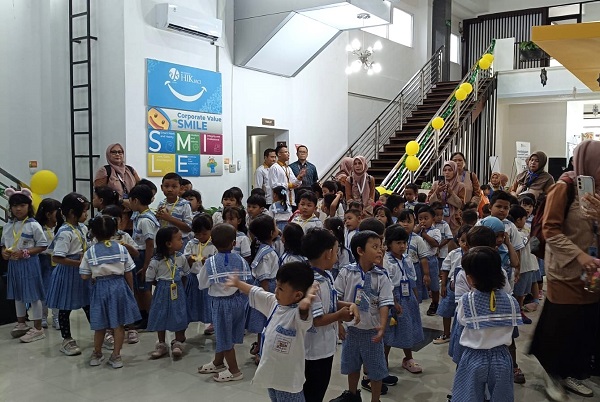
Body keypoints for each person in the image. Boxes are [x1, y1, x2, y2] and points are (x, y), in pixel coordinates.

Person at [530, 140, 600, 400]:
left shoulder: (598, 190)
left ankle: (571, 372)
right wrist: (579, 256)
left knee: (584, 324)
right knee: (560, 323)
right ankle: (553, 375)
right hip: (565, 269)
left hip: (592, 271)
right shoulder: (564, 187)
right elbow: (550, 230)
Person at [227, 262, 316, 401]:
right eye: (276, 286)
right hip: (270, 376)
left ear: (297, 295)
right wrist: (238, 283)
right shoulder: (274, 303)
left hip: (287, 382)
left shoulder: (296, 316)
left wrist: (307, 301)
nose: (276, 291)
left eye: (280, 289)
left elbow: (304, 312)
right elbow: (255, 291)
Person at [451, 246, 523, 402]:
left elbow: (462, 322)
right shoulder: (512, 302)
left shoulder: (467, 300)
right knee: (501, 397)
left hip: (474, 357)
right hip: (502, 357)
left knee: (468, 396)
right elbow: (511, 328)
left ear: (470, 278)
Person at [331, 231, 394, 402]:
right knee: (352, 365)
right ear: (360, 251)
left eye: (381, 247)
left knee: (376, 368)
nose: (380, 251)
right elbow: (335, 299)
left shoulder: (381, 276)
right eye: (374, 247)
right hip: (351, 330)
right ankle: (352, 394)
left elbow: (385, 303)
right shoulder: (346, 272)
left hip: (372, 332)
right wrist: (338, 324)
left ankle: (375, 399)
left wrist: (382, 326)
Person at [302, 228, 360, 402]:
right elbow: (317, 320)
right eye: (336, 251)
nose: (337, 255)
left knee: (319, 387)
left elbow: (331, 303)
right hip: (314, 350)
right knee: (314, 391)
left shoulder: (326, 275)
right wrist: (339, 316)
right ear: (328, 253)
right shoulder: (313, 282)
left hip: (326, 345)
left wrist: (348, 305)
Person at [80, 215, 140, 368]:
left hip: (100, 288)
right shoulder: (121, 248)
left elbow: (84, 275)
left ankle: (97, 353)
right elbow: (128, 272)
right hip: (119, 287)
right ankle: (116, 356)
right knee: (118, 324)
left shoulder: (90, 251)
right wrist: (130, 290)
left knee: (100, 324)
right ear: (114, 231)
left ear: (93, 232)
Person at [198, 223, 252, 382]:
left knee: (224, 337)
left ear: (212, 241)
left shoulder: (210, 262)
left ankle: (235, 371)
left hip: (221, 304)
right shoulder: (241, 260)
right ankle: (218, 362)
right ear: (234, 243)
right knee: (226, 333)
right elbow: (246, 283)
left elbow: (202, 284)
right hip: (238, 302)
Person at [46, 193, 91, 356]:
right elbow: (57, 258)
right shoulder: (65, 232)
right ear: (72, 213)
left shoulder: (82, 228)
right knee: (65, 307)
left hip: (82, 273)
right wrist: (79, 263)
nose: (86, 215)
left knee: (88, 303)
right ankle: (66, 339)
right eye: (84, 211)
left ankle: (101, 333)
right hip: (68, 274)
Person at [1, 188, 48, 343]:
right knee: (17, 294)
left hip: (29, 263)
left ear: (29, 206)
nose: (18, 209)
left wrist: (25, 252)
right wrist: (4, 252)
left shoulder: (33, 225)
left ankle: (38, 328)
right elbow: (3, 244)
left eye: (21, 205)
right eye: (14, 206)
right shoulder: (9, 225)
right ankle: (21, 323)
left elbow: (42, 245)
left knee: (33, 295)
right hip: (14, 265)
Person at [383, 225, 425, 376]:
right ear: (389, 244)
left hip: (408, 298)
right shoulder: (386, 260)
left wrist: (415, 297)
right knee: (389, 329)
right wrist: (393, 302)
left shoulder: (407, 258)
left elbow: (412, 279)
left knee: (408, 327)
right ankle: (383, 360)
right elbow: (386, 283)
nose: (402, 246)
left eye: (404, 243)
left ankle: (408, 358)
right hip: (393, 298)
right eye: (398, 243)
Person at [146, 227, 190, 359]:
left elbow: (186, 274)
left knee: (178, 314)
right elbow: (149, 278)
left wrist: (181, 288)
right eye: (179, 239)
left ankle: (177, 342)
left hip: (178, 291)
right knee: (161, 314)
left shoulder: (181, 258)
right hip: (162, 291)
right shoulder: (156, 261)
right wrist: (162, 286)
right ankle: (161, 343)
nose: (182, 242)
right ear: (168, 243)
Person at [246, 215, 280, 362]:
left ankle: (260, 346)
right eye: (276, 226)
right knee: (265, 322)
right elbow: (264, 277)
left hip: (267, 287)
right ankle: (261, 351)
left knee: (264, 323)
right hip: (267, 288)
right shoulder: (267, 253)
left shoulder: (264, 248)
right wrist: (268, 296)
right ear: (271, 233)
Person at [434, 224, 472, 345]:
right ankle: (446, 334)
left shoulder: (474, 255)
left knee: (461, 312)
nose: (465, 244)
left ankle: (461, 335)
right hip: (451, 287)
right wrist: (443, 285)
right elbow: (445, 269)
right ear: (458, 240)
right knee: (446, 310)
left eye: (469, 241)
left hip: (467, 289)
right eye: (462, 240)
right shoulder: (454, 253)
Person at [129, 184, 160, 331]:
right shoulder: (139, 216)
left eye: (130, 200)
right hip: (139, 254)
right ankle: (143, 317)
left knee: (145, 288)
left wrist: (146, 265)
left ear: (135, 200)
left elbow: (149, 244)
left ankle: (151, 317)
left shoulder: (145, 220)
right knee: (139, 289)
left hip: (144, 256)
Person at [184, 214, 218, 334]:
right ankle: (184, 325)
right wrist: (190, 259)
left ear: (211, 230)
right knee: (191, 302)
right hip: (193, 278)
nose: (201, 237)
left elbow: (217, 261)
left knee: (210, 302)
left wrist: (207, 262)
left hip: (209, 280)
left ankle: (213, 322)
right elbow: (185, 259)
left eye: (204, 234)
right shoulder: (191, 243)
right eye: (198, 234)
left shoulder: (214, 244)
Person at [34, 198, 63, 330]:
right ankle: (43, 316)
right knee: (43, 290)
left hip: (57, 262)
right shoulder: (39, 229)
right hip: (43, 262)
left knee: (57, 290)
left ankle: (56, 317)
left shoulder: (60, 229)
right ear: (48, 214)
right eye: (58, 212)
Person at [397, 210, 431, 303]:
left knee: (415, 295)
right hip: (398, 268)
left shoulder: (418, 239)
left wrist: (426, 274)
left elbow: (423, 258)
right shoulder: (393, 239)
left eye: (409, 222)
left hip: (414, 269)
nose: (405, 224)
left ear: (415, 224)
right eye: (403, 221)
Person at [416, 206, 442, 316]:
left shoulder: (435, 231)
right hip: (419, 261)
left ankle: (435, 303)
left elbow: (436, 243)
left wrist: (424, 235)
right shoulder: (417, 232)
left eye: (426, 218)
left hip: (430, 260)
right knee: (419, 282)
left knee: (434, 283)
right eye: (420, 219)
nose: (423, 221)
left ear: (433, 219)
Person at [428, 161, 466, 234]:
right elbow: (430, 202)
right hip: (437, 218)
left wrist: (451, 193)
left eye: (450, 170)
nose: (447, 172)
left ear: (454, 171)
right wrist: (437, 191)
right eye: (445, 170)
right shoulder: (436, 184)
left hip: (454, 219)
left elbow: (461, 205)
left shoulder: (460, 186)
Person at [156, 173, 193, 241]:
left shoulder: (185, 205)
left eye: (174, 187)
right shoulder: (161, 203)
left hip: (180, 241)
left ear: (181, 188)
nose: (170, 189)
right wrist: (157, 217)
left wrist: (169, 218)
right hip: (164, 240)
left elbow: (189, 227)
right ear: (161, 187)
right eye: (166, 186)